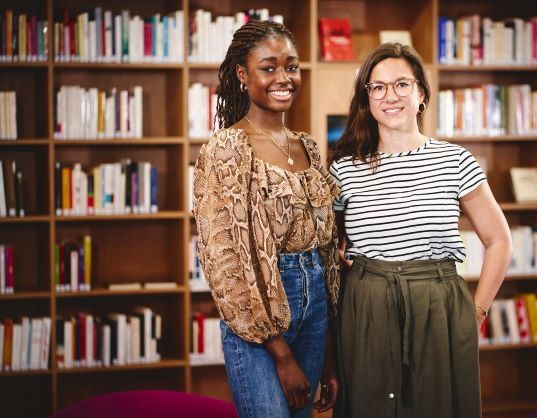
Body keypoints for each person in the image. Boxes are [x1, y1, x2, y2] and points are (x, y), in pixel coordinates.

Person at [329, 43, 513, 418]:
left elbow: (498, 241)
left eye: (401, 84)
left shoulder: (454, 160)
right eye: (377, 87)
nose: (389, 96)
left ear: (422, 94)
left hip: (438, 306)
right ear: (367, 98)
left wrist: (476, 312)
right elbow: (327, 247)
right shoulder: (344, 170)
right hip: (367, 307)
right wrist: (364, 282)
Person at [192, 20, 339, 418]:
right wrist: (281, 354)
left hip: (316, 307)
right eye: (269, 67)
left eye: (291, 66)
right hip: (259, 316)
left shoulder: (307, 145)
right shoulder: (226, 149)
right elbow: (226, 264)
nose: (284, 78)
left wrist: (330, 354)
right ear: (243, 74)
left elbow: (326, 247)